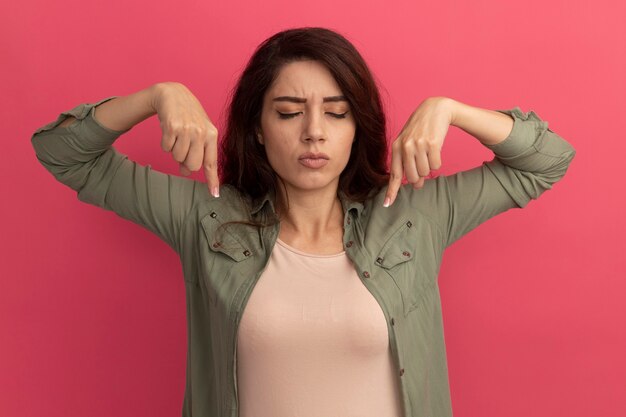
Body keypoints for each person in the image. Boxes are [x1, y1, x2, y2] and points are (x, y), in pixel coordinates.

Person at [30, 27, 576, 417]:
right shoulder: (207, 217)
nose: (314, 132)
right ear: (259, 128)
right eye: (289, 112)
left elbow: (547, 160)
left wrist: (449, 109)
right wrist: (157, 96)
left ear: (357, 129)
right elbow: (63, 153)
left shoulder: (415, 217)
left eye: (336, 113)